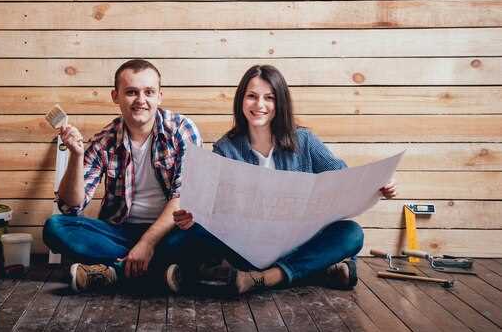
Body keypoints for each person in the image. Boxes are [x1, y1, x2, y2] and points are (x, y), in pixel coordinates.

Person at [170, 65, 397, 294]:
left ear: (280, 103)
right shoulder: (226, 148)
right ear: (241, 100)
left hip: (299, 242)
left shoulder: (304, 140)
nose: (259, 105)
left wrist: (378, 186)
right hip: (249, 247)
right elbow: (212, 205)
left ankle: (264, 278)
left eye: (269, 98)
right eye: (251, 96)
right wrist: (193, 217)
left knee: (352, 234)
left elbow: (345, 179)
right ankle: (315, 272)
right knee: (178, 240)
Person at [43, 59, 202, 292]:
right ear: (115, 96)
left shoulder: (181, 130)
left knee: (205, 233)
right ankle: (160, 273)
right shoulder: (104, 140)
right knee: (55, 227)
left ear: (160, 96)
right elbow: (71, 206)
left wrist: (147, 243)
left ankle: (114, 273)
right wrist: (76, 156)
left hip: (169, 232)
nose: (141, 100)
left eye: (149, 92)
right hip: (120, 233)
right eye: (131, 92)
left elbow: (184, 195)